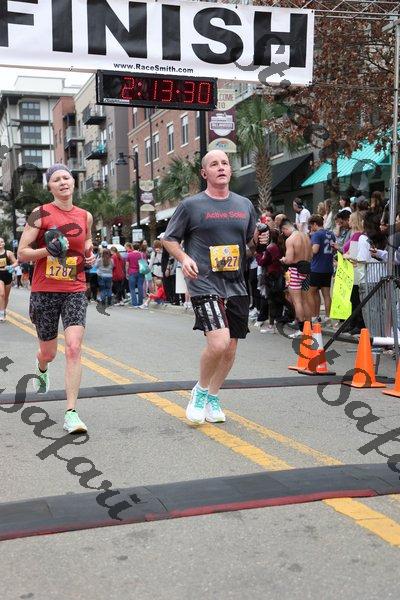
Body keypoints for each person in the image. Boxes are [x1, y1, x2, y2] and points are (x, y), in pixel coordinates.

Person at [163, 150, 258, 425]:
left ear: (230, 170)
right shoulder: (191, 205)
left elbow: (250, 244)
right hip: (204, 282)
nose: (221, 167)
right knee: (218, 343)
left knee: (230, 348)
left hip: (236, 283)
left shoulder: (244, 205)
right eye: (214, 164)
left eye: (225, 163)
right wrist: (184, 258)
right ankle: (200, 392)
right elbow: (169, 239)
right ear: (204, 173)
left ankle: (213, 396)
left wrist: (260, 242)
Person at [17, 164, 96, 433]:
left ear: (73, 182)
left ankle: (71, 413)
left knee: (73, 347)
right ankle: (41, 366)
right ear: (50, 187)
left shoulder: (85, 216)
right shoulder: (39, 214)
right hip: (45, 290)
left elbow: (87, 242)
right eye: (56, 179)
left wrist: (89, 253)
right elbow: (22, 253)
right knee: (49, 353)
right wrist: (46, 251)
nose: (63, 182)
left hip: (75, 288)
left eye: (66, 177)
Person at [280, 219, 313, 337]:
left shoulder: (290, 240)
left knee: (297, 301)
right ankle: (309, 327)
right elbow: (311, 255)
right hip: (306, 270)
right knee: (305, 300)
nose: (283, 234)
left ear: (285, 228)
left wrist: (283, 259)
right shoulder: (306, 237)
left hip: (294, 271)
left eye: (283, 231)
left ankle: (302, 329)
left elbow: (289, 260)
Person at [308, 214, 336, 324]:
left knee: (311, 293)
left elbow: (315, 250)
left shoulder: (316, 234)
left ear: (315, 224)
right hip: (328, 267)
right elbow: (333, 249)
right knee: (326, 294)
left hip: (316, 268)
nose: (311, 228)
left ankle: (314, 316)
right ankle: (328, 318)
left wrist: (307, 251)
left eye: (311, 226)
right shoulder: (331, 234)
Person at [0, 237, 18, 322]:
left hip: (7, 275)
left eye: (1, 242)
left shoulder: (9, 253)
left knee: (6, 296)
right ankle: (1, 314)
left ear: (4, 243)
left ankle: (3, 311)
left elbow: (16, 262)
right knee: (2, 294)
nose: (0, 243)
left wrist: (10, 266)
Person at [126, 242, 144, 307]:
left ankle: (134, 303)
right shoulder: (141, 254)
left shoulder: (129, 254)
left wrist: (127, 273)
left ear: (132, 247)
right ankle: (140, 302)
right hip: (141, 272)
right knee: (140, 287)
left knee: (132, 288)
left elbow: (127, 265)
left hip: (132, 272)